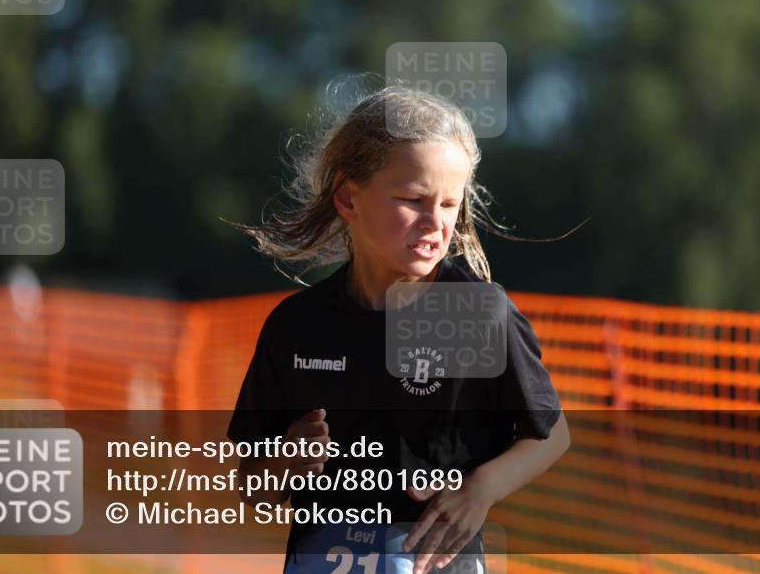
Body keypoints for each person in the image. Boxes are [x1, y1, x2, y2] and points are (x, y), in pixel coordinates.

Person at [225, 85, 574, 574]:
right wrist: (285, 462)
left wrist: (480, 490)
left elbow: (551, 434)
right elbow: (250, 485)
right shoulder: (296, 326)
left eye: (450, 205)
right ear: (348, 196)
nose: (436, 223)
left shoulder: (478, 313)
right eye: (413, 199)